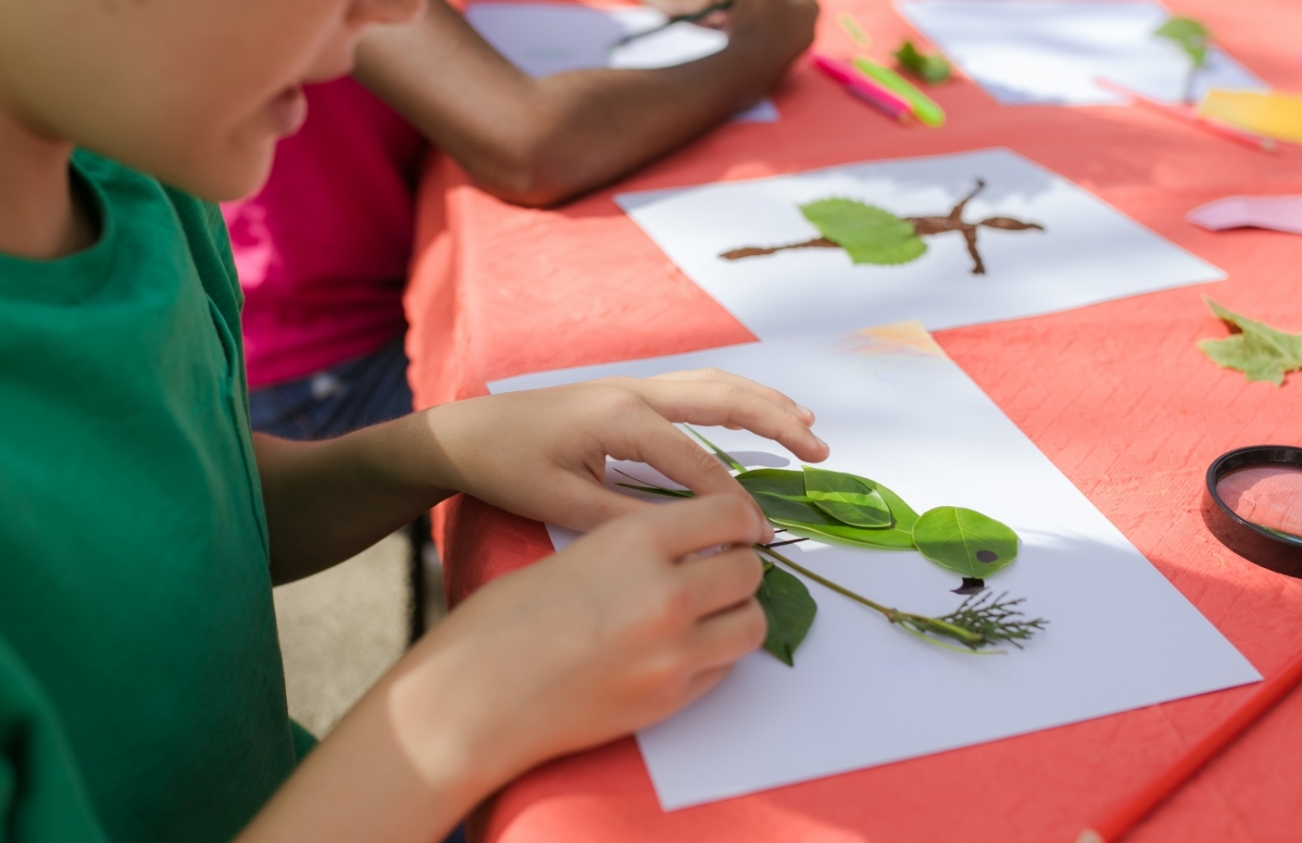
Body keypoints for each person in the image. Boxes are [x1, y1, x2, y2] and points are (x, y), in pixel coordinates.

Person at [0, 1, 830, 841]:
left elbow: (184, 529)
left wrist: (435, 447)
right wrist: (458, 714)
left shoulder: (140, 182)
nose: (392, 11)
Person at [229, 0, 818, 440]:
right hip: (314, 364)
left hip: (342, 293)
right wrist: (758, 52)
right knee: (676, 410)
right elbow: (530, 146)